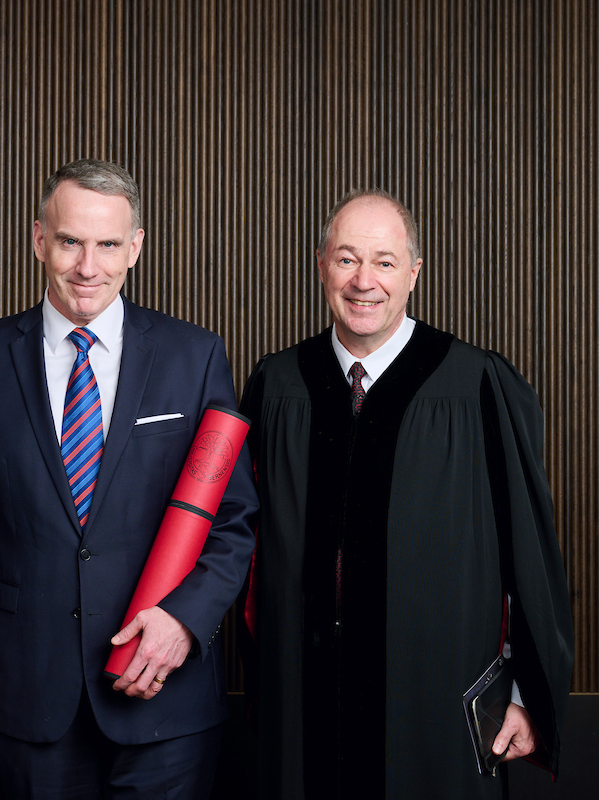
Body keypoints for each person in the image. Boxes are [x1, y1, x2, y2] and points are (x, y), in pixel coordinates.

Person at [239, 190, 574, 799]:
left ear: (414, 273)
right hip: (301, 707)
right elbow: (242, 546)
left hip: (435, 708)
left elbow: (529, 549)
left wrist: (526, 691)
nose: (365, 281)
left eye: (385, 262)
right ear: (320, 266)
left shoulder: (476, 383)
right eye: (346, 260)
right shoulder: (278, 383)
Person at [0, 159, 257, 798]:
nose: (89, 266)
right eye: (69, 242)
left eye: (109, 244)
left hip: (165, 701)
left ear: (135, 247)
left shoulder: (194, 357)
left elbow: (234, 521)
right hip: (29, 700)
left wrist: (184, 623)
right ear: (38, 240)